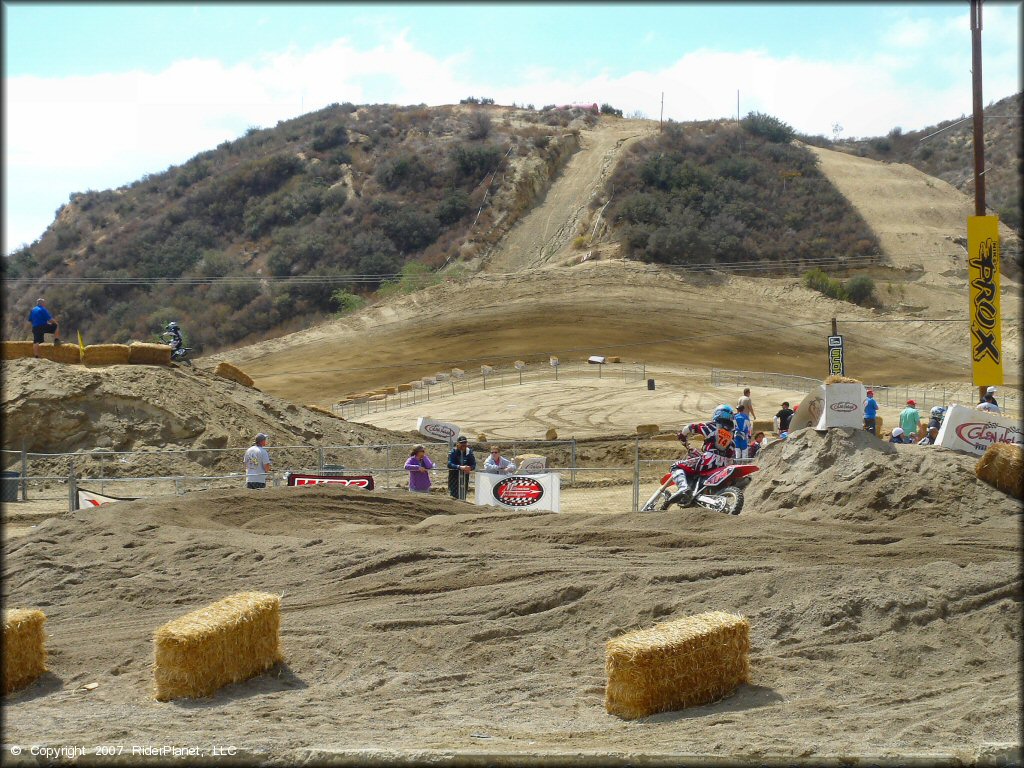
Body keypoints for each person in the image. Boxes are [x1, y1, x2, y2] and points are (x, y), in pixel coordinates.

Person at [674, 404, 738, 502]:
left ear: (718, 414)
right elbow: (730, 456)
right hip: (723, 465)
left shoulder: (712, 427)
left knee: (676, 466)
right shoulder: (732, 435)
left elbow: (690, 427)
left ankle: (683, 488)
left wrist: (683, 435)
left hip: (708, 460)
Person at [447, 435, 476, 500]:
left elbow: (473, 464)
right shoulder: (453, 452)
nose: (463, 444)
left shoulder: (469, 452)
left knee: (463, 496)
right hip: (454, 477)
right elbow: (449, 464)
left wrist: (470, 468)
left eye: (465, 443)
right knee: (454, 497)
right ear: (457, 444)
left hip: (465, 477)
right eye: (461, 443)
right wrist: (460, 467)